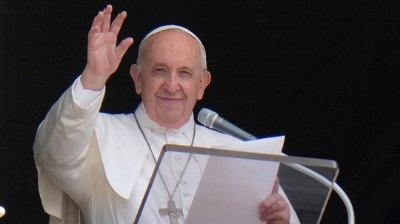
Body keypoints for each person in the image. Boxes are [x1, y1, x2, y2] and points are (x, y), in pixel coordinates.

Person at [33, 5, 300, 224]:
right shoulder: (100, 134)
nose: (172, 85)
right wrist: (93, 77)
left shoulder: (238, 154)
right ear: (138, 79)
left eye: (184, 73)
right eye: (159, 70)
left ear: (201, 85)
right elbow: (54, 152)